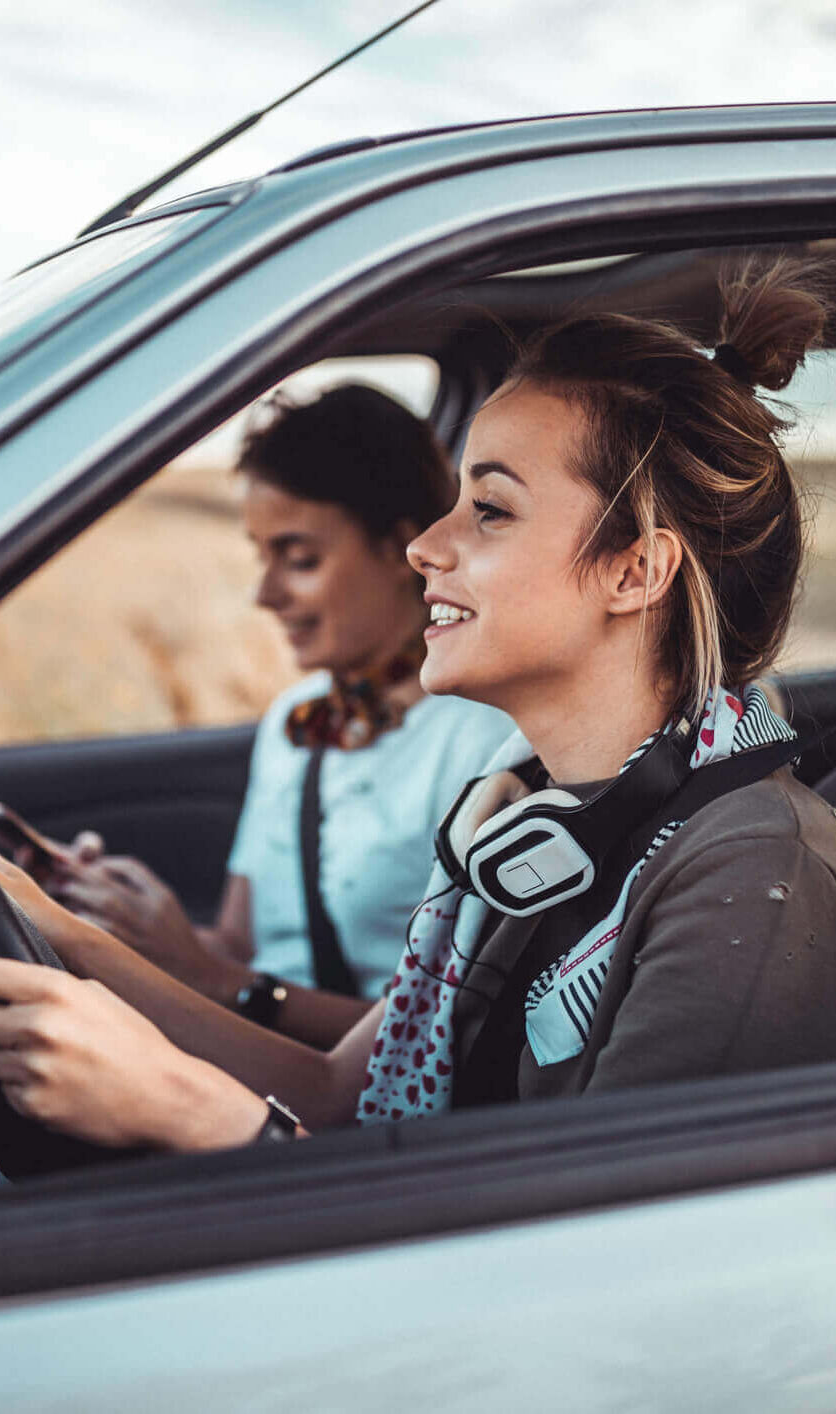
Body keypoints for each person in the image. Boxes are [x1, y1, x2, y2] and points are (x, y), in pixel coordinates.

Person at [0, 259, 836, 1151]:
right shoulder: (529, 822)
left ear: (636, 570)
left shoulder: (754, 875)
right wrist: (59, 929)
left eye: (488, 510)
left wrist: (189, 1109)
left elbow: (594, 1282)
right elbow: (333, 1097)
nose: (426, 547)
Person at [36, 385, 515, 1049]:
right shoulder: (296, 718)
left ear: (404, 545)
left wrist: (217, 980)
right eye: (262, 556)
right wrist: (118, 920)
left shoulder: (486, 738)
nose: (266, 595)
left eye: (300, 559)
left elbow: (455, 1033)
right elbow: (238, 942)